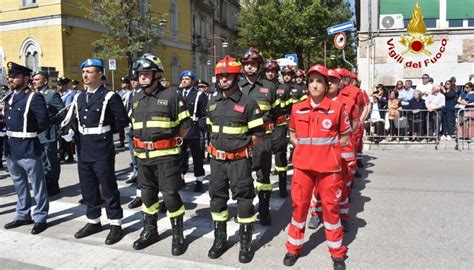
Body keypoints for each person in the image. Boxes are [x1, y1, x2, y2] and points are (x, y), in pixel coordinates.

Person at [283, 64, 350, 269]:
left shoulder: (337, 108)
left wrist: (330, 152)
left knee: (330, 210)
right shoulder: (297, 108)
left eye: (319, 81)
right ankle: (293, 248)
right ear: (306, 85)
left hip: (329, 169)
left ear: (326, 84)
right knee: (299, 207)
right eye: (311, 81)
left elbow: (345, 136)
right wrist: (300, 146)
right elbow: (293, 133)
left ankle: (337, 253)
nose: (314, 85)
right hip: (303, 167)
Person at [60, 58, 129, 245]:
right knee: (88, 187)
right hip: (83, 146)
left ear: (100, 74)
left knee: (107, 187)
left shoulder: (109, 96)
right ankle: (94, 221)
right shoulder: (79, 97)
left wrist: (104, 132)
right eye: (84, 72)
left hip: (101, 146)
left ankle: (115, 224)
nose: (85, 75)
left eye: (90, 72)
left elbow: (122, 121)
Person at [130, 53, 191, 255]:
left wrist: (174, 142)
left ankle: (178, 235)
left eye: (147, 72)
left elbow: (185, 124)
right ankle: (150, 231)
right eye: (140, 73)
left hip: (166, 156)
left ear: (157, 74)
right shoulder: (136, 97)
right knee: (147, 196)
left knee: (170, 195)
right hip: (143, 157)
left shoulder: (171, 96)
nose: (143, 76)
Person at [206, 56, 265, 263]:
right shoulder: (212, 102)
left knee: (244, 201)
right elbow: (209, 130)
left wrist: (242, 150)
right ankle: (219, 239)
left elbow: (258, 132)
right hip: (217, 162)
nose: (223, 79)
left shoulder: (248, 103)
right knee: (217, 199)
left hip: (239, 162)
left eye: (227, 75)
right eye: (220, 76)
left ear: (235, 76)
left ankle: (245, 242)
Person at [308, 69, 360, 232]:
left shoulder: (348, 102)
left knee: (340, 185)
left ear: (340, 83)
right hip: (320, 152)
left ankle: (343, 216)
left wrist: (346, 137)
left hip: (341, 149)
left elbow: (355, 121)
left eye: (333, 80)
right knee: (317, 186)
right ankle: (316, 215)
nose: (330, 83)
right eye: (327, 80)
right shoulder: (314, 102)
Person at [3, 62, 50, 235]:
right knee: (19, 184)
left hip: (28, 146)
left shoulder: (34, 97)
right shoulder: (8, 97)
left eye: (15, 76)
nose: (11, 79)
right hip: (11, 148)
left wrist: (27, 133)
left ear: (25, 78)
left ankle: (40, 217)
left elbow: (43, 122)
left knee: (37, 185)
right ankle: (23, 214)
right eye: (10, 76)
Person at [239, 47, 278, 226]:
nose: (250, 67)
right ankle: (247, 209)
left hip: (264, 140)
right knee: (244, 176)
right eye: (247, 64)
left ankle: (264, 210)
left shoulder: (269, 87)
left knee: (263, 178)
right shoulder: (237, 87)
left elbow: (277, 113)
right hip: (243, 140)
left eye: (253, 64)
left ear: (259, 66)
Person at [32, 71, 66, 196]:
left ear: (45, 81)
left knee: (51, 160)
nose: (34, 81)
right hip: (37, 134)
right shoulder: (34, 95)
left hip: (49, 132)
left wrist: (48, 121)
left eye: (37, 79)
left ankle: (53, 184)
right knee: (41, 160)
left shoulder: (51, 95)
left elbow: (62, 112)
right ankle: (45, 183)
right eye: (33, 79)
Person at [264, 59, 290, 197]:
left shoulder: (284, 88)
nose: (270, 73)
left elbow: (287, 107)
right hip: (264, 127)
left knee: (280, 154)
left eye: (272, 71)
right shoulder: (260, 87)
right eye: (267, 71)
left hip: (279, 126)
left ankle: (282, 185)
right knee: (264, 155)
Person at [178, 70, 207, 192]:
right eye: (183, 79)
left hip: (194, 129)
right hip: (180, 130)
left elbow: (204, 114)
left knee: (197, 157)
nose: (184, 81)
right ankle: (181, 177)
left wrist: (200, 128)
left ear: (193, 81)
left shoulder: (199, 95)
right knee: (180, 156)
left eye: (187, 79)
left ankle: (199, 180)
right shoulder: (178, 93)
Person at [126, 74, 143, 209]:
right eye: (131, 80)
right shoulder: (130, 95)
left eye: (134, 80)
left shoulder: (144, 94)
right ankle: (140, 194)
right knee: (135, 157)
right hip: (131, 130)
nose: (133, 82)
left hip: (144, 134)